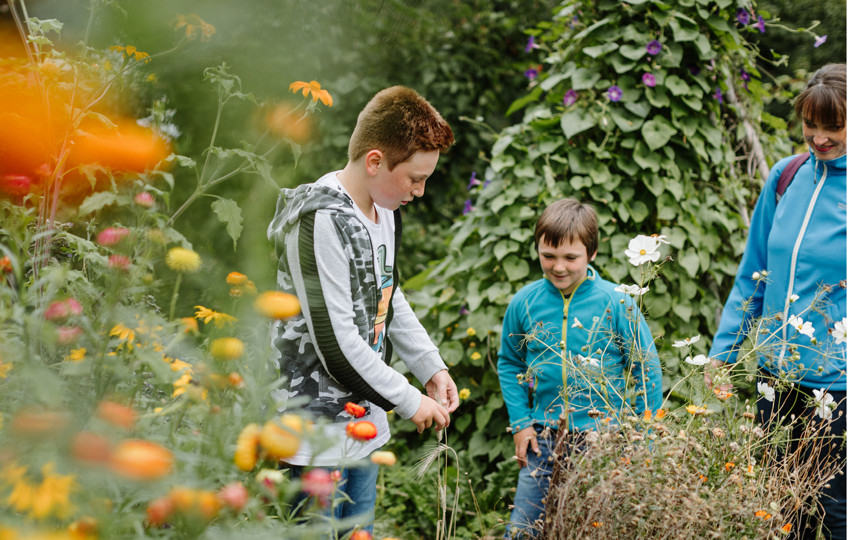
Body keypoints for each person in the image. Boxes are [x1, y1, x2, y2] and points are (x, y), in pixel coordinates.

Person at [266, 85, 460, 534]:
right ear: (375, 162)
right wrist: (411, 401)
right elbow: (336, 344)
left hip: (363, 426)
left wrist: (430, 367)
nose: (422, 190)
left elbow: (389, 294)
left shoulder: (384, 208)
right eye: (415, 177)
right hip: (312, 433)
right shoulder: (320, 220)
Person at [708, 63, 847, 540]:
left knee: (835, 512)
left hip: (838, 388)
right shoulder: (785, 177)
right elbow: (753, 277)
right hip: (775, 379)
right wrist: (722, 354)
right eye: (812, 124)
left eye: (835, 126)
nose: (820, 138)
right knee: (782, 510)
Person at [497, 198, 664, 538]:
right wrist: (520, 424)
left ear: (591, 253)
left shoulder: (616, 301)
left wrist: (643, 436)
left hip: (603, 439)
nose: (559, 267)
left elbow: (646, 367)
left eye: (570, 258)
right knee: (523, 531)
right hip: (541, 440)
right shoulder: (524, 302)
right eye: (548, 256)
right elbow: (510, 362)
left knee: (594, 529)